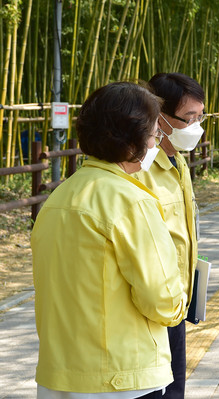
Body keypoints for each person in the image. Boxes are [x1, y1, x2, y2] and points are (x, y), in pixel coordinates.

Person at [31, 82, 187, 398]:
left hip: (59, 373)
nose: (156, 142)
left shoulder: (59, 197)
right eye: (155, 133)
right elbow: (163, 300)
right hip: (122, 376)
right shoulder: (132, 202)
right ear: (132, 139)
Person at [135, 72, 206, 399]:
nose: (196, 126)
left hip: (178, 301)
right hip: (149, 306)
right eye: (189, 118)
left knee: (175, 389)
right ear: (159, 118)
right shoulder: (141, 171)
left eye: (201, 117)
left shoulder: (178, 162)